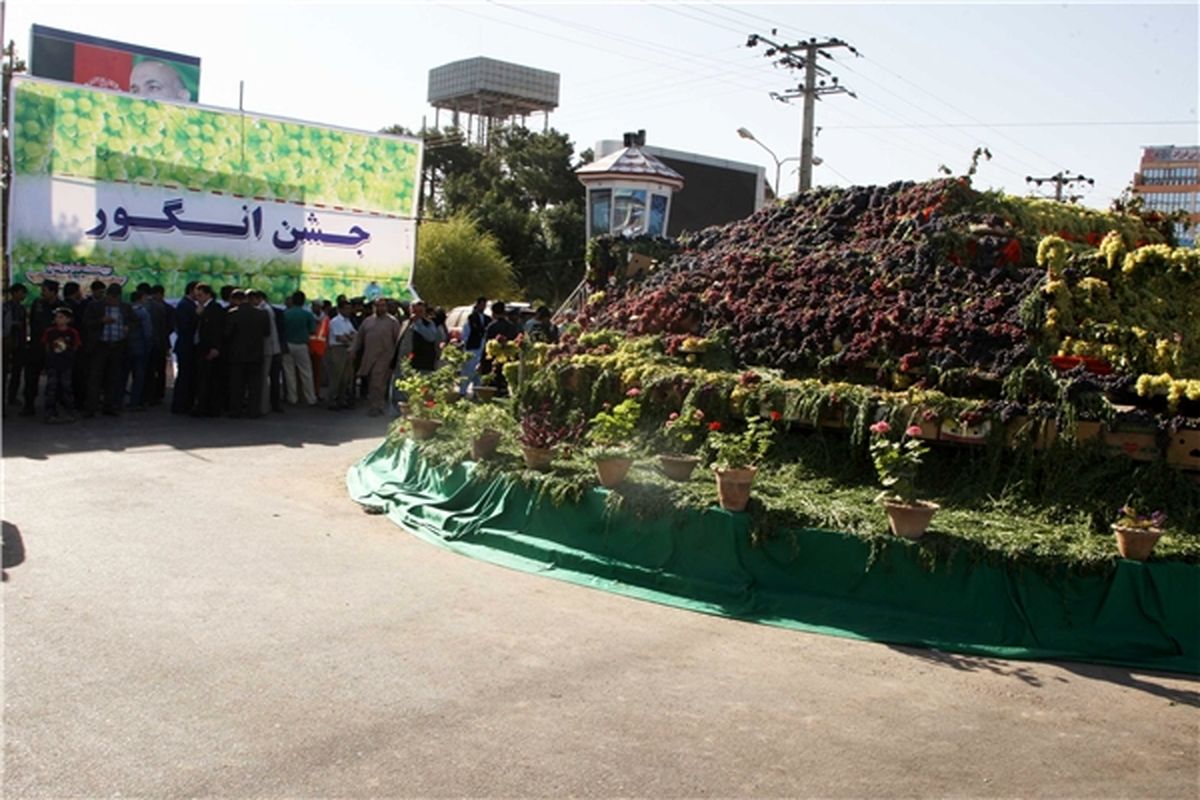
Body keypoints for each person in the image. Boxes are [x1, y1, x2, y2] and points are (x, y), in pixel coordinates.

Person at [82, 284, 133, 417]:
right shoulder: (95, 306)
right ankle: (91, 407)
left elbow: (133, 321)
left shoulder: (125, 307)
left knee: (113, 377)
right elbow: (85, 323)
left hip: (117, 345)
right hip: (100, 345)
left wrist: (127, 327)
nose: (113, 301)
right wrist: (101, 321)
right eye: (111, 297)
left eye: (116, 298)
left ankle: (109, 406)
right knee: (95, 377)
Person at [224, 289, 271, 418]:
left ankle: (236, 410)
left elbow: (227, 334)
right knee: (255, 385)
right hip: (256, 353)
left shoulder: (232, 314)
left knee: (237, 384)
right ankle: (253, 411)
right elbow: (267, 333)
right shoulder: (262, 314)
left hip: (237, 354)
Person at [352, 297, 401, 416]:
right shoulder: (367, 321)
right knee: (372, 382)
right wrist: (353, 350)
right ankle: (375, 404)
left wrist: (395, 359)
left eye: (383, 305)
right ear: (374, 307)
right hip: (369, 357)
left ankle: (377, 406)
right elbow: (359, 338)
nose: (381, 308)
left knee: (377, 382)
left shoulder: (392, 322)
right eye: (378, 305)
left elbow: (398, 341)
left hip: (385, 357)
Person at [22, 280, 61, 416]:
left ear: (53, 291)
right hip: (37, 345)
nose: (42, 293)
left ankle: (52, 406)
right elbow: (33, 323)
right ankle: (29, 405)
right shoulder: (37, 304)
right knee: (31, 376)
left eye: (45, 290)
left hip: (55, 346)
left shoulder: (62, 307)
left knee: (55, 378)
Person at [40, 307, 82, 422]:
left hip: (66, 364)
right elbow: (46, 347)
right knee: (51, 388)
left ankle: (69, 411)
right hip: (53, 363)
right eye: (57, 317)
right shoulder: (50, 332)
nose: (58, 319)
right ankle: (50, 412)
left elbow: (75, 347)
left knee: (66, 387)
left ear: (68, 319)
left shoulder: (72, 333)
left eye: (61, 317)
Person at [192, 283, 226, 417]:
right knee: (202, 378)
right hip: (201, 347)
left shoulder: (215, 309)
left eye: (200, 295)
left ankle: (208, 408)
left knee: (209, 379)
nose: (198, 298)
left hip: (209, 348)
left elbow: (217, 330)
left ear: (208, 295)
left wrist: (215, 347)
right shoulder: (201, 309)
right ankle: (203, 405)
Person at [281, 291, 318, 406]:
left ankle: (292, 398)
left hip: (287, 345)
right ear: (303, 301)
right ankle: (310, 398)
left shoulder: (285, 314)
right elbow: (313, 330)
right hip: (302, 345)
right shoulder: (307, 315)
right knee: (306, 372)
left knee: (289, 372)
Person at [171, 281, 199, 414]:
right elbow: (184, 327)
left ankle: (185, 403)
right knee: (184, 376)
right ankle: (180, 405)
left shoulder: (191, 305)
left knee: (188, 376)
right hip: (186, 346)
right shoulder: (184, 305)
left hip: (189, 346)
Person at [325, 300, 357, 410]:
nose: (348, 311)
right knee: (336, 376)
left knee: (346, 377)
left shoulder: (348, 322)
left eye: (349, 308)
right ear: (340, 309)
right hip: (337, 349)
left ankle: (342, 399)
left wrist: (349, 338)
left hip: (347, 350)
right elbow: (340, 337)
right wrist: (349, 340)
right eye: (346, 308)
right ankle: (332, 400)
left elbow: (354, 334)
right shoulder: (335, 321)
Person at [124, 290, 153, 411]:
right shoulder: (143, 312)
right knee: (139, 376)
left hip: (125, 346)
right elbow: (147, 332)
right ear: (141, 298)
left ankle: (117, 401)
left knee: (122, 375)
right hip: (140, 346)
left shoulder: (125, 311)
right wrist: (149, 346)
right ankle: (135, 402)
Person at [397, 301, 445, 373]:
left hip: (423, 364)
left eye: (420, 311)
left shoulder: (429, 324)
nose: (417, 314)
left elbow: (430, 337)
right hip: (404, 362)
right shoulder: (406, 323)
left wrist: (418, 323)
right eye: (415, 311)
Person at [3, 284, 28, 410]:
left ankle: (12, 396)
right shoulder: (5, 307)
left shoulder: (22, 308)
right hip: (7, 342)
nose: (23, 296)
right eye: (22, 293)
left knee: (17, 371)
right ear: (15, 293)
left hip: (19, 343)